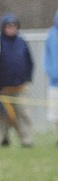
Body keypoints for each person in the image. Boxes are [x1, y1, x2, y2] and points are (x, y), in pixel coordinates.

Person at [0, 14, 34, 148]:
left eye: (13, 26)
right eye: (8, 26)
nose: (11, 28)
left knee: (24, 113)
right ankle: (4, 138)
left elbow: (29, 62)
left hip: (21, 86)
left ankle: (26, 140)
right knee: (4, 115)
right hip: (4, 87)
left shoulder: (22, 42)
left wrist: (27, 79)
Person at [43, 10, 58, 141]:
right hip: (55, 82)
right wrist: (52, 72)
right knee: (55, 113)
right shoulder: (51, 34)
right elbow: (46, 57)